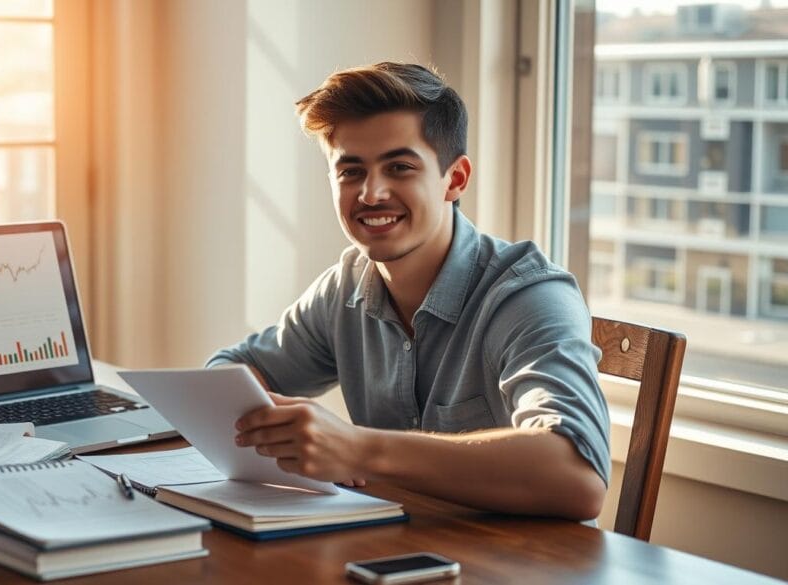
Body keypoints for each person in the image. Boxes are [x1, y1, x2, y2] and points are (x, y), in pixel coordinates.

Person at [207, 62, 609, 520]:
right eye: (351, 171)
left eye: (399, 167)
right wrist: (282, 427)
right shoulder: (346, 285)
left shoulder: (530, 296)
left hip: (520, 564)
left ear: (454, 180)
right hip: (396, 547)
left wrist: (358, 449)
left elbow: (578, 476)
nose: (372, 193)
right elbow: (227, 372)